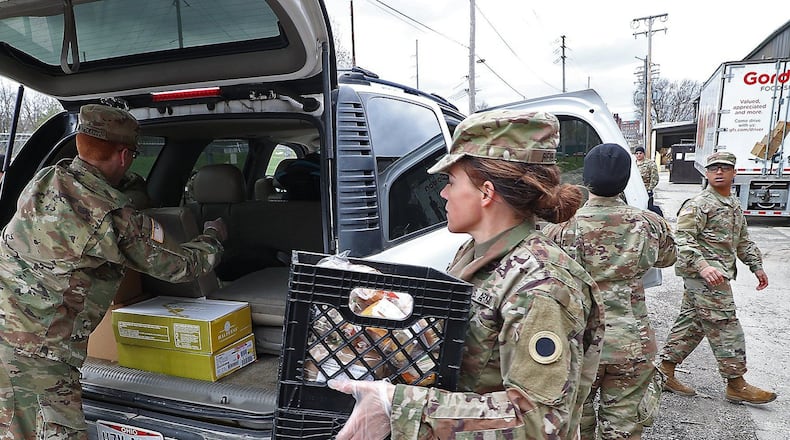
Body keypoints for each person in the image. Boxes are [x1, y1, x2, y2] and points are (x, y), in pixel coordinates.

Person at [328, 110, 605, 439]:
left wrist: (398, 407)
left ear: (486, 193)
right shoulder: (475, 254)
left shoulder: (542, 285)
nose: (443, 194)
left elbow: (539, 421)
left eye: (451, 182)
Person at [0, 104, 228, 439]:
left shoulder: (47, 177)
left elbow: (120, 191)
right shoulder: (110, 216)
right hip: (39, 365)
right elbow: (182, 266)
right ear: (123, 155)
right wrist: (214, 236)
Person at [543, 143, 676, 439]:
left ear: (586, 180)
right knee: (624, 428)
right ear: (626, 180)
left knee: (576, 423)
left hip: (579, 344)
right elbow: (668, 258)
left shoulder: (560, 229)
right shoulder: (650, 223)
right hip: (632, 344)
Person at [658, 151, 776, 405]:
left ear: (735, 172)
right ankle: (736, 383)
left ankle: (664, 370)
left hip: (716, 275)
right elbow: (683, 239)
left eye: (724, 168)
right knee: (726, 324)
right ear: (706, 173)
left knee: (693, 323)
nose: (719, 172)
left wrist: (756, 266)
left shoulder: (731, 204)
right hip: (704, 276)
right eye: (713, 169)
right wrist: (702, 266)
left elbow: (742, 240)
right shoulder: (699, 204)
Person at [634, 146, 661, 215]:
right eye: (636, 153)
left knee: (648, 208)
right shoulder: (633, 164)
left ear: (643, 154)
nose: (638, 155)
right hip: (635, 190)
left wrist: (649, 189)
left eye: (640, 153)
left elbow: (655, 178)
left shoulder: (650, 163)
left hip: (646, 190)